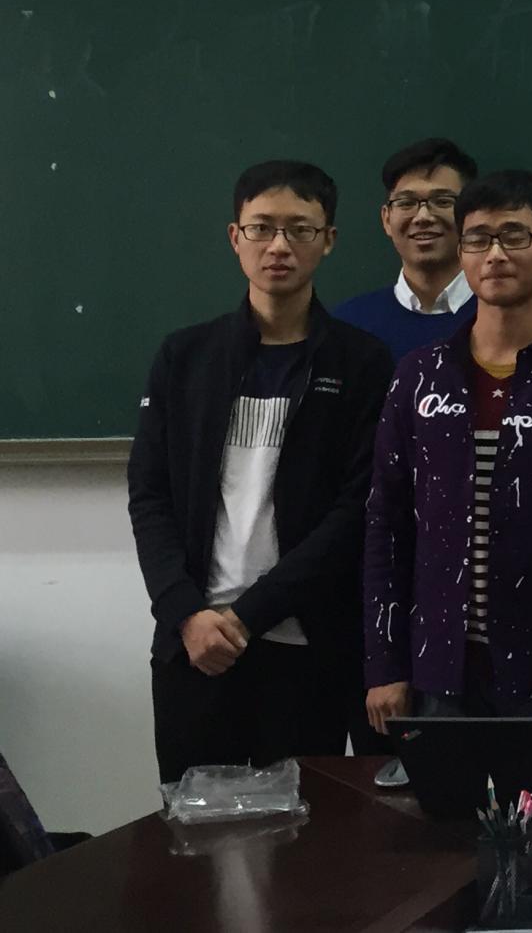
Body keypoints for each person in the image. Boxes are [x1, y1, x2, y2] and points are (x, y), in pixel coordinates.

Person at [128, 160, 393, 781]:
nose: (279, 246)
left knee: (305, 829)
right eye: (262, 228)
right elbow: (149, 495)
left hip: (305, 647)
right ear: (235, 237)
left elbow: (356, 508)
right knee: (195, 826)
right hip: (194, 645)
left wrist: (249, 615)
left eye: (300, 229)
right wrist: (186, 612)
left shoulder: (360, 362)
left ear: (328, 240)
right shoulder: (184, 356)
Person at [362, 170, 532, 727]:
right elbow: (386, 525)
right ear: (461, 253)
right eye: (479, 239)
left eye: (515, 235)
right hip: (436, 668)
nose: (496, 254)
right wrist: (385, 663)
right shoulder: (421, 375)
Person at [332, 137, 478, 362]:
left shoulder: (506, 318)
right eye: (406, 203)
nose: (423, 217)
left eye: (442, 201)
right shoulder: (347, 325)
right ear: (386, 219)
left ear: (472, 216)